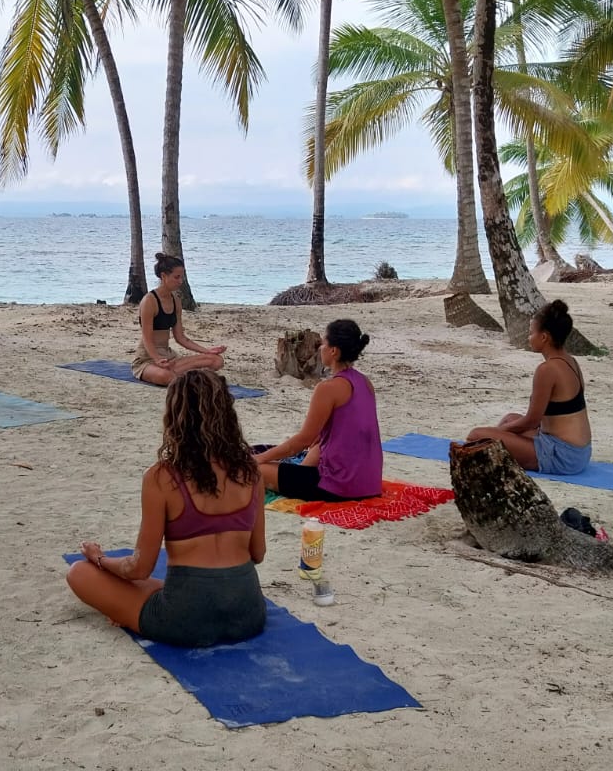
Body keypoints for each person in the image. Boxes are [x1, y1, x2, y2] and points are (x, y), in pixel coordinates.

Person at [67, 370, 266, 648]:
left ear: (175, 417)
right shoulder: (251, 471)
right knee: (154, 588)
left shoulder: (161, 477)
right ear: (228, 414)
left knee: (79, 572)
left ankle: (124, 607)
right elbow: (257, 554)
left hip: (185, 620)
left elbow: (138, 569)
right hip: (248, 614)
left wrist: (100, 559)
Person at [256, 319, 383, 501]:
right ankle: (300, 475)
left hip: (339, 487)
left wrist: (260, 458)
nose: (320, 348)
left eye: (323, 343)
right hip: (369, 482)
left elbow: (301, 442)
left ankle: (297, 478)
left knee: (252, 469)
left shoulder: (328, 388)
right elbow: (322, 438)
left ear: (334, 351)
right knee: (318, 442)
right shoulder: (365, 382)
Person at [466, 297, 592, 475]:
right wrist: (507, 432)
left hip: (563, 456)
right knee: (510, 418)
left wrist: (499, 431)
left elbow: (532, 420)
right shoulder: (571, 362)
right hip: (579, 452)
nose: (528, 337)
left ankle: (496, 450)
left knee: (476, 436)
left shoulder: (547, 369)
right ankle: (501, 446)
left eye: (531, 333)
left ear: (544, 337)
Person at [131, 252, 227, 385]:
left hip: (169, 358)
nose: (180, 281)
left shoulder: (176, 301)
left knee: (216, 360)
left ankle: (183, 375)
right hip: (148, 360)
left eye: (182, 277)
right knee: (166, 377)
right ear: (164, 276)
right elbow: (147, 339)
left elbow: (181, 338)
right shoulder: (149, 301)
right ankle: (185, 376)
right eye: (176, 277)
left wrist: (207, 351)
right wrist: (157, 359)